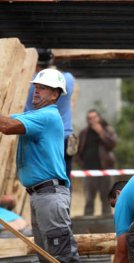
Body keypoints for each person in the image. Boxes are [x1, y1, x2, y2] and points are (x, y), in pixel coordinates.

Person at [0, 68, 85, 263]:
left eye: (43, 88)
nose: (36, 92)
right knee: (48, 260)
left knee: (62, 257)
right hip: (41, 196)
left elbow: (7, 125)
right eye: (36, 87)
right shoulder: (35, 115)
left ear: (55, 94)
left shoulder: (46, 116)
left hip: (49, 196)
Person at [25, 48, 77, 180]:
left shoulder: (31, 85)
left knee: (44, 181)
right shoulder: (68, 79)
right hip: (65, 137)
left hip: (43, 138)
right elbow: (60, 75)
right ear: (52, 60)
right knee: (64, 178)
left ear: (35, 64)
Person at [77, 109, 118, 216]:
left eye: (94, 117)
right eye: (90, 118)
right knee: (89, 199)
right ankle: (88, 223)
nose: (92, 120)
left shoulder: (107, 130)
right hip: (89, 171)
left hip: (105, 171)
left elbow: (112, 144)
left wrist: (101, 133)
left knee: (106, 199)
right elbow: (78, 151)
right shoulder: (84, 133)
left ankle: (106, 223)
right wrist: (82, 165)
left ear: (99, 117)